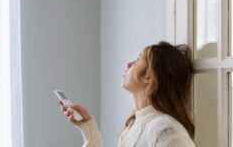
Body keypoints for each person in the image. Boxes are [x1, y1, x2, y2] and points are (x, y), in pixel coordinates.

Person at [58, 41, 196, 147]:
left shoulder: (167, 131)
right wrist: (87, 126)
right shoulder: (133, 126)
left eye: (138, 59)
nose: (129, 64)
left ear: (149, 77)